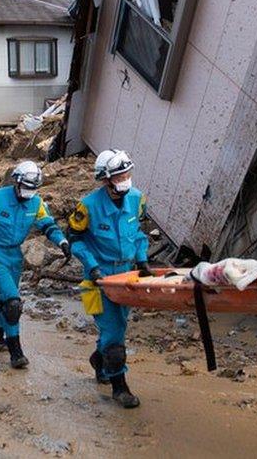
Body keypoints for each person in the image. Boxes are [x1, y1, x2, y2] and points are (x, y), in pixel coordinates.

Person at [67, 149, 151, 409]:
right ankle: (120, 388)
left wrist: (143, 260)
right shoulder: (88, 206)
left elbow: (138, 233)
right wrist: (92, 267)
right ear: (105, 179)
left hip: (127, 275)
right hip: (98, 279)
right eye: (119, 175)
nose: (126, 178)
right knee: (114, 334)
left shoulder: (137, 199)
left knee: (119, 326)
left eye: (127, 173)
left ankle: (98, 359)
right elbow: (75, 240)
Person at [0, 161, 70, 369]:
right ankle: (16, 352)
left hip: (14, 256)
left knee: (4, 301)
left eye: (34, 189)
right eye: (26, 187)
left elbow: (47, 225)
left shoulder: (36, 203)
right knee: (13, 303)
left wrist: (62, 241)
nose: (29, 192)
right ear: (17, 182)